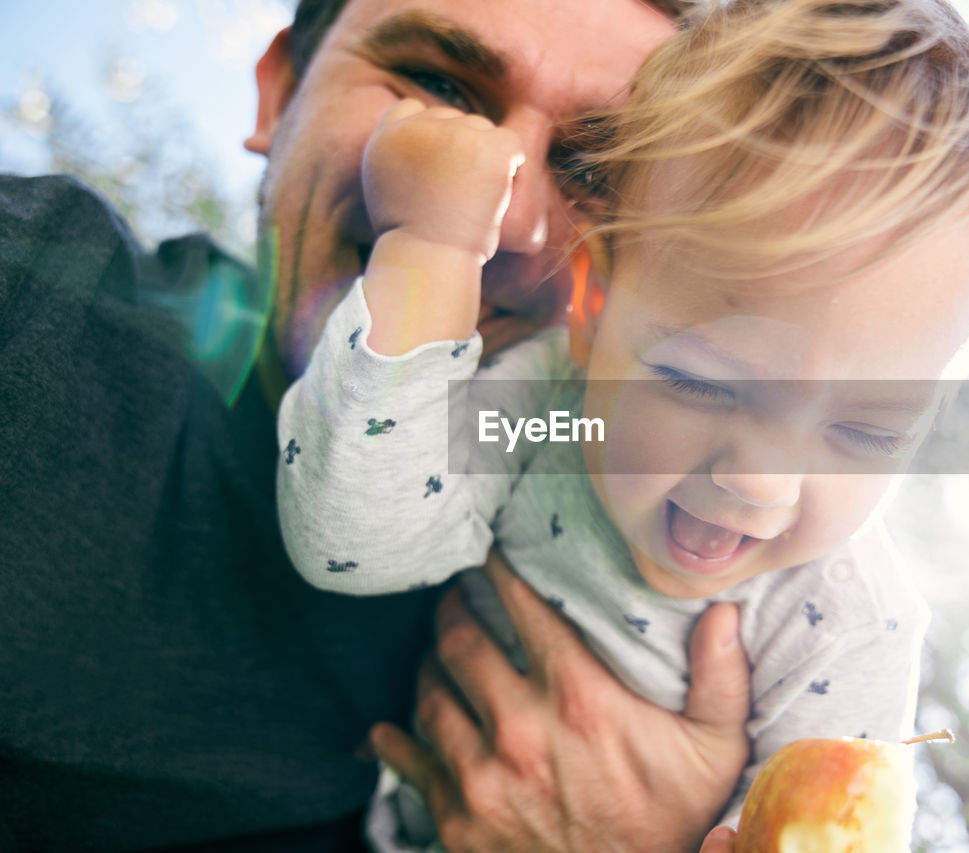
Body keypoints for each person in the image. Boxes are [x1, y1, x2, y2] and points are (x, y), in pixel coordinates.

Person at [276, 0, 969, 848]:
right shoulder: (544, 413)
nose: (762, 482)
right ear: (591, 306)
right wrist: (428, 250)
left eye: (869, 432)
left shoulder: (845, 619)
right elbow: (352, 540)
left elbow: (826, 828)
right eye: (704, 381)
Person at [0, 1, 758, 850]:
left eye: (596, 168)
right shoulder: (28, 298)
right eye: (441, 88)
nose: (501, 217)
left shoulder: (693, 662)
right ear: (280, 94)